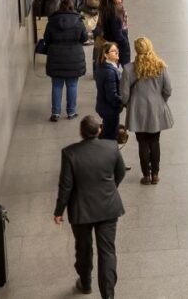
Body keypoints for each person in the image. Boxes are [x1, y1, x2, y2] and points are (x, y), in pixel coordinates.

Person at [53, 115, 125, 299]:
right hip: (108, 207)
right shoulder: (111, 147)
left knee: (83, 248)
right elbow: (120, 172)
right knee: (107, 251)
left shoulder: (69, 153)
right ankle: (108, 295)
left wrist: (59, 211)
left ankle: (85, 283)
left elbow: (66, 185)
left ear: (80, 132)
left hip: (81, 210)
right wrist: (110, 188)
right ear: (99, 130)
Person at [121, 38, 173, 185]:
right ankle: (155, 174)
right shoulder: (161, 66)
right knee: (155, 141)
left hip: (138, 110)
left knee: (142, 142)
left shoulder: (128, 69)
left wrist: (128, 104)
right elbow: (168, 89)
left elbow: (124, 94)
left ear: (136, 50)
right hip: (156, 109)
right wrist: (160, 101)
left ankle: (146, 176)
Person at [44, 0, 88, 122]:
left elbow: (47, 38)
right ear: (72, 8)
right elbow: (84, 38)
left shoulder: (52, 21)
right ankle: (71, 112)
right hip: (74, 57)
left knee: (56, 85)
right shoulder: (79, 22)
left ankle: (55, 113)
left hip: (55, 57)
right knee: (72, 85)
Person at [95, 42, 123, 142]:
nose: (117, 52)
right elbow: (112, 95)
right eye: (113, 51)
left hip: (104, 107)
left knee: (107, 130)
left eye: (117, 50)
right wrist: (123, 102)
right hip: (110, 109)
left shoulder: (104, 67)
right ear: (106, 54)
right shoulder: (110, 72)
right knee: (111, 137)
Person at [97, 0, 130, 66]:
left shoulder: (107, 8)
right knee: (125, 66)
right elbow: (117, 34)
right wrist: (125, 42)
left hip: (108, 41)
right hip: (118, 44)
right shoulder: (115, 13)